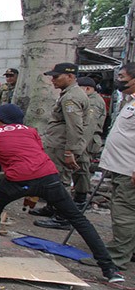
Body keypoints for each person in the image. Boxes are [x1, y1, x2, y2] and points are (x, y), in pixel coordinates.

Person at [0, 104, 124, 283]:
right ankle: (109, 269)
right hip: (48, 176)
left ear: (2, 118)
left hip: (18, 179)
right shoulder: (31, 130)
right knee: (78, 219)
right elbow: (35, 153)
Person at [84, 63, 135, 270]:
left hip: (129, 169)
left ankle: (115, 258)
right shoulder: (129, 102)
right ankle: (127, 250)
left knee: (124, 214)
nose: (118, 80)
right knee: (124, 211)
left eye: (122, 76)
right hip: (121, 166)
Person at [31, 63, 89, 230]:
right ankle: (52, 208)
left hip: (62, 146)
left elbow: (74, 126)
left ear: (70, 77)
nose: (53, 80)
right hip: (57, 144)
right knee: (51, 179)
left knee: (60, 181)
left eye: (57, 76)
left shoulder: (72, 97)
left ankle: (63, 217)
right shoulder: (68, 94)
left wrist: (71, 151)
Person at [71, 76, 106, 206]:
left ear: (87, 89)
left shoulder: (94, 102)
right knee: (78, 169)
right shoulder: (88, 100)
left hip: (87, 141)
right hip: (83, 140)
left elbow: (88, 126)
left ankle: (80, 199)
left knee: (81, 168)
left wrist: (79, 146)